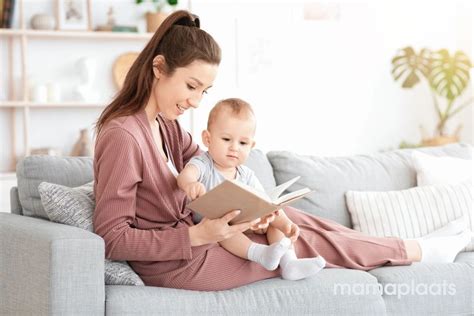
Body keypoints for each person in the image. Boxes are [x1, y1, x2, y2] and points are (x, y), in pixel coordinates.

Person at [93, 10, 471, 291]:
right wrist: (197, 236)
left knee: (286, 218)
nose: (195, 102)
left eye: (203, 92)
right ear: (159, 67)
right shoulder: (123, 135)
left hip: (202, 239)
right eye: (191, 86)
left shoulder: (166, 125)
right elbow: (110, 237)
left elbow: (216, 167)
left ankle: (415, 247)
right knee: (304, 237)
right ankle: (419, 249)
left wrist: (252, 211)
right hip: (177, 262)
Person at [177, 98, 326, 280]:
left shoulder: (246, 174)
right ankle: (260, 254)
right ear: (207, 138)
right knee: (224, 231)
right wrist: (190, 184)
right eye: (226, 139)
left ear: (251, 146)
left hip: (246, 221)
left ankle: (289, 262)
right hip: (216, 225)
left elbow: (266, 202)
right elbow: (186, 174)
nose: (234, 148)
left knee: (273, 215)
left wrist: (284, 223)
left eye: (243, 143)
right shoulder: (204, 163)